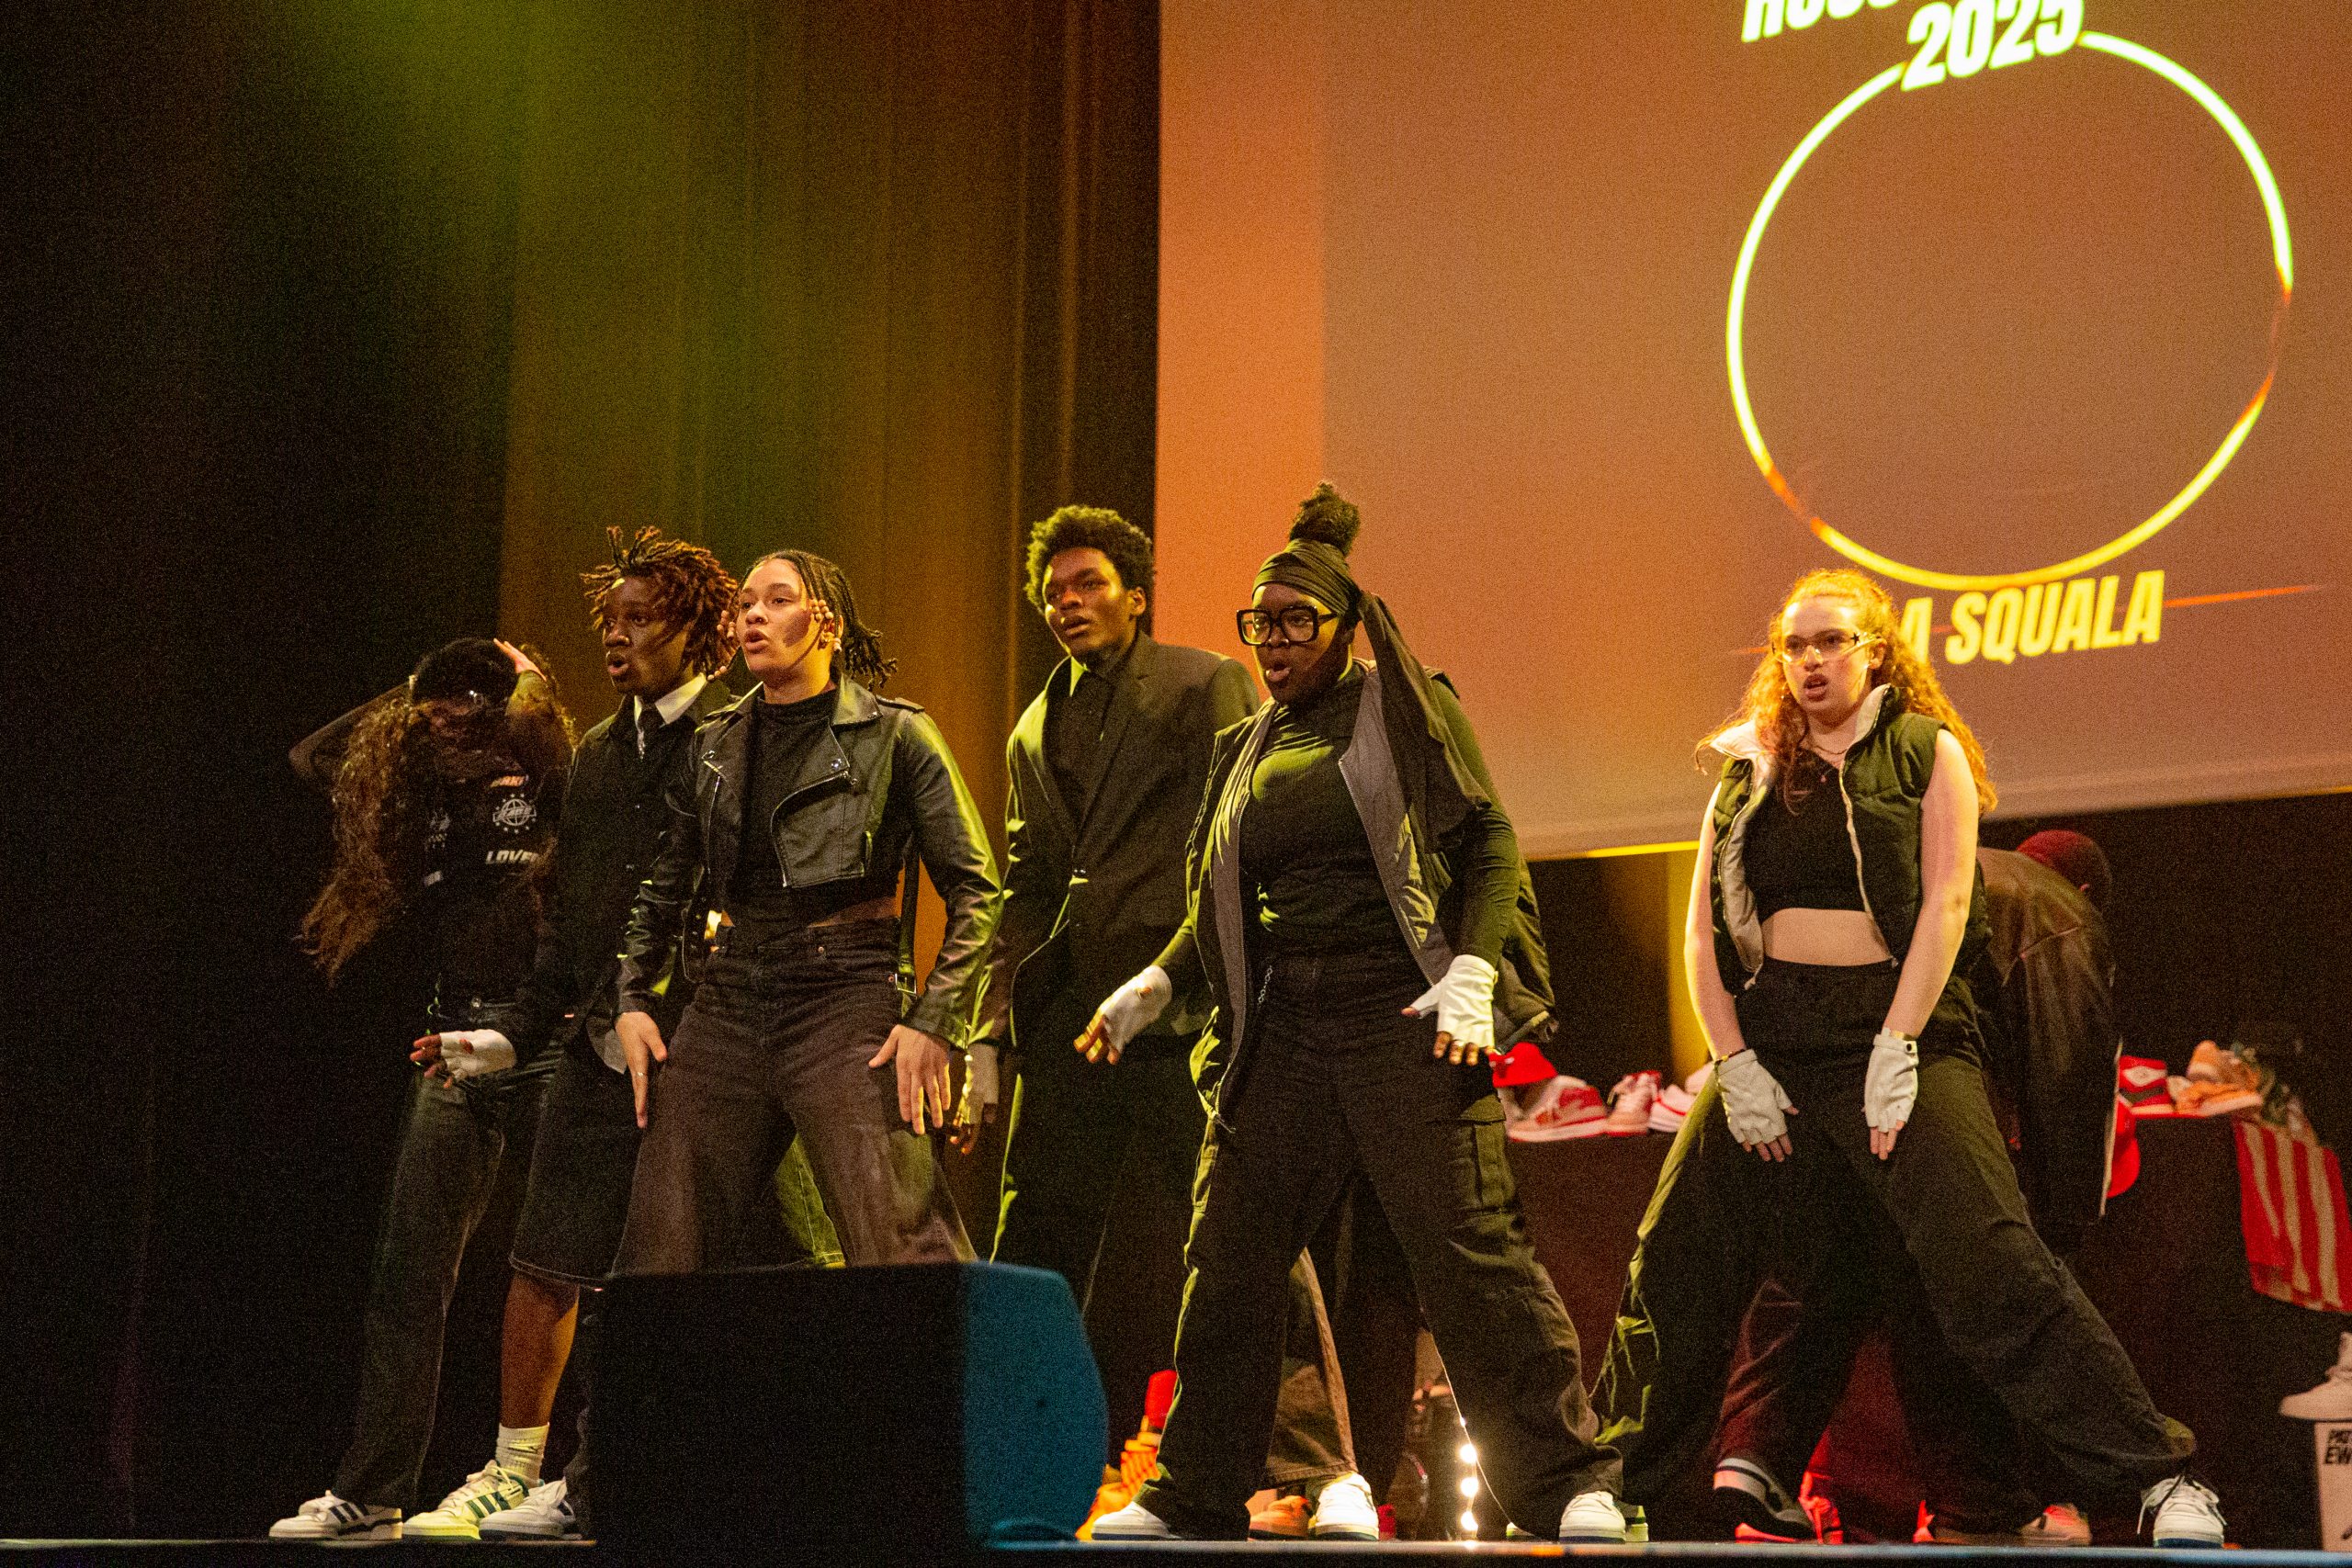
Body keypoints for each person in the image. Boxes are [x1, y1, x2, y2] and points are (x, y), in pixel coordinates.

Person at [1591, 568, 2222, 1548]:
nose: (1810, 661)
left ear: (1875, 651)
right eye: (1794, 645)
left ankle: (2159, 1478)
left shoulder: (1927, 750)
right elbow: (1701, 933)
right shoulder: (1750, 765)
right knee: (1673, 1252)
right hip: (1775, 1037)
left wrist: (1898, 1041)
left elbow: (1948, 903)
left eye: (1831, 641)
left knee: (1992, 1260)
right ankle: (1610, 1479)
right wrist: (1734, 1059)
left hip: (1903, 1030)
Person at [1085, 486, 1623, 1542]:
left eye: (1296, 622)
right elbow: (1219, 901)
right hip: (1285, 1024)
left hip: (1402, 1012)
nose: (1274, 644)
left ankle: (1570, 1483)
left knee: (1469, 1256)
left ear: (1343, 625)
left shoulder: (1404, 708)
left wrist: (1474, 971)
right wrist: (1157, 984)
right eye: (1259, 625)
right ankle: (1193, 1491)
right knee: (1230, 1254)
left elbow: (1487, 839)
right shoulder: (1248, 747)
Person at [401, 528, 833, 1540]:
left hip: (715, 1043)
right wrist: (513, 1035)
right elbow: (576, 918)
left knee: (756, 1264)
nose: (618, 636)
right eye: (610, 619)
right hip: (601, 1040)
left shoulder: (741, 734)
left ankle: (758, 1469)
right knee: (547, 1253)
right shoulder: (600, 752)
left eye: (641, 618)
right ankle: (516, 1470)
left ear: (698, 631)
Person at [958, 505, 1375, 1538]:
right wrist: (987, 1029)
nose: (1069, 603)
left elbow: (1238, 839)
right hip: (1072, 1015)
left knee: (1246, 1229)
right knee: (1033, 1239)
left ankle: (1321, 1470)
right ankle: (1012, 1466)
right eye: (1054, 591)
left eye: (1089, 583)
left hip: (1180, 1003)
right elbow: (1025, 886)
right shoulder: (1032, 724)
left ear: (1136, 595)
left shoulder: (1202, 684)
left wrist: (1190, 982)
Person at [1707, 830, 2128, 1544]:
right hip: (1918, 1087)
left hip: (1820, 1066)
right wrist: (2060, 1221)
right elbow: (2069, 1069)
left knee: (1817, 1268)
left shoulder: (1935, 864)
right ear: (2085, 890)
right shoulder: (2061, 909)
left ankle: (1753, 1458)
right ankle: (1978, 1506)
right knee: (1948, 1289)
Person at [611, 548, 992, 1273]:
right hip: (731, 993)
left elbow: (977, 887)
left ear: (829, 624)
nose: (754, 615)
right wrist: (632, 1000)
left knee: (902, 1246)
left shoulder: (896, 733)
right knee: (661, 1251)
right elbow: (663, 884)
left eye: (778, 600)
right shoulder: (714, 742)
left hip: (843, 993)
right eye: (746, 603)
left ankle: (966, 1354)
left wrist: (936, 1020)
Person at [271, 638, 572, 1541]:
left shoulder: (546, 780)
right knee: (408, 1272)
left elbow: (566, 759)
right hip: (454, 1043)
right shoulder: (425, 792)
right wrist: (412, 689)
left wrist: (526, 686)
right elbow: (315, 758)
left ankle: (536, 1477)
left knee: (556, 1265)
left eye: (463, 702)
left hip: (547, 1042)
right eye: (434, 708)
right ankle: (373, 1491)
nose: (445, 719)